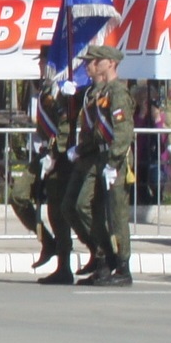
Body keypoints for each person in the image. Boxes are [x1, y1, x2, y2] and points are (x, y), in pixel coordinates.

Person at [69, 41, 135, 286]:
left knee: (116, 213)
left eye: (96, 61)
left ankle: (123, 267)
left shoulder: (117, 92)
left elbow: (123, 131)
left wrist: (115, 162)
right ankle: (104, 256)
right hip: (98, 156)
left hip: (114, 159)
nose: (90, 65)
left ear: (110, 63)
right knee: (82, 206)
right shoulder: (98, 93)